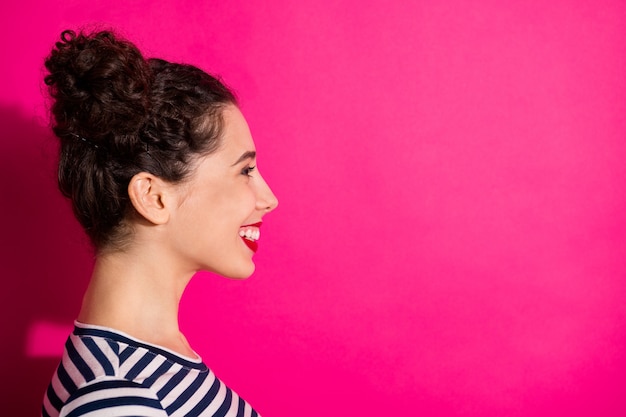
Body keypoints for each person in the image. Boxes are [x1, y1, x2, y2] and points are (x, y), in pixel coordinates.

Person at [41, 29, 278, 417]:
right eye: (245, 170)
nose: (269, 199)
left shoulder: (146, 366)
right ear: (153, 197)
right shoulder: (115, 398)